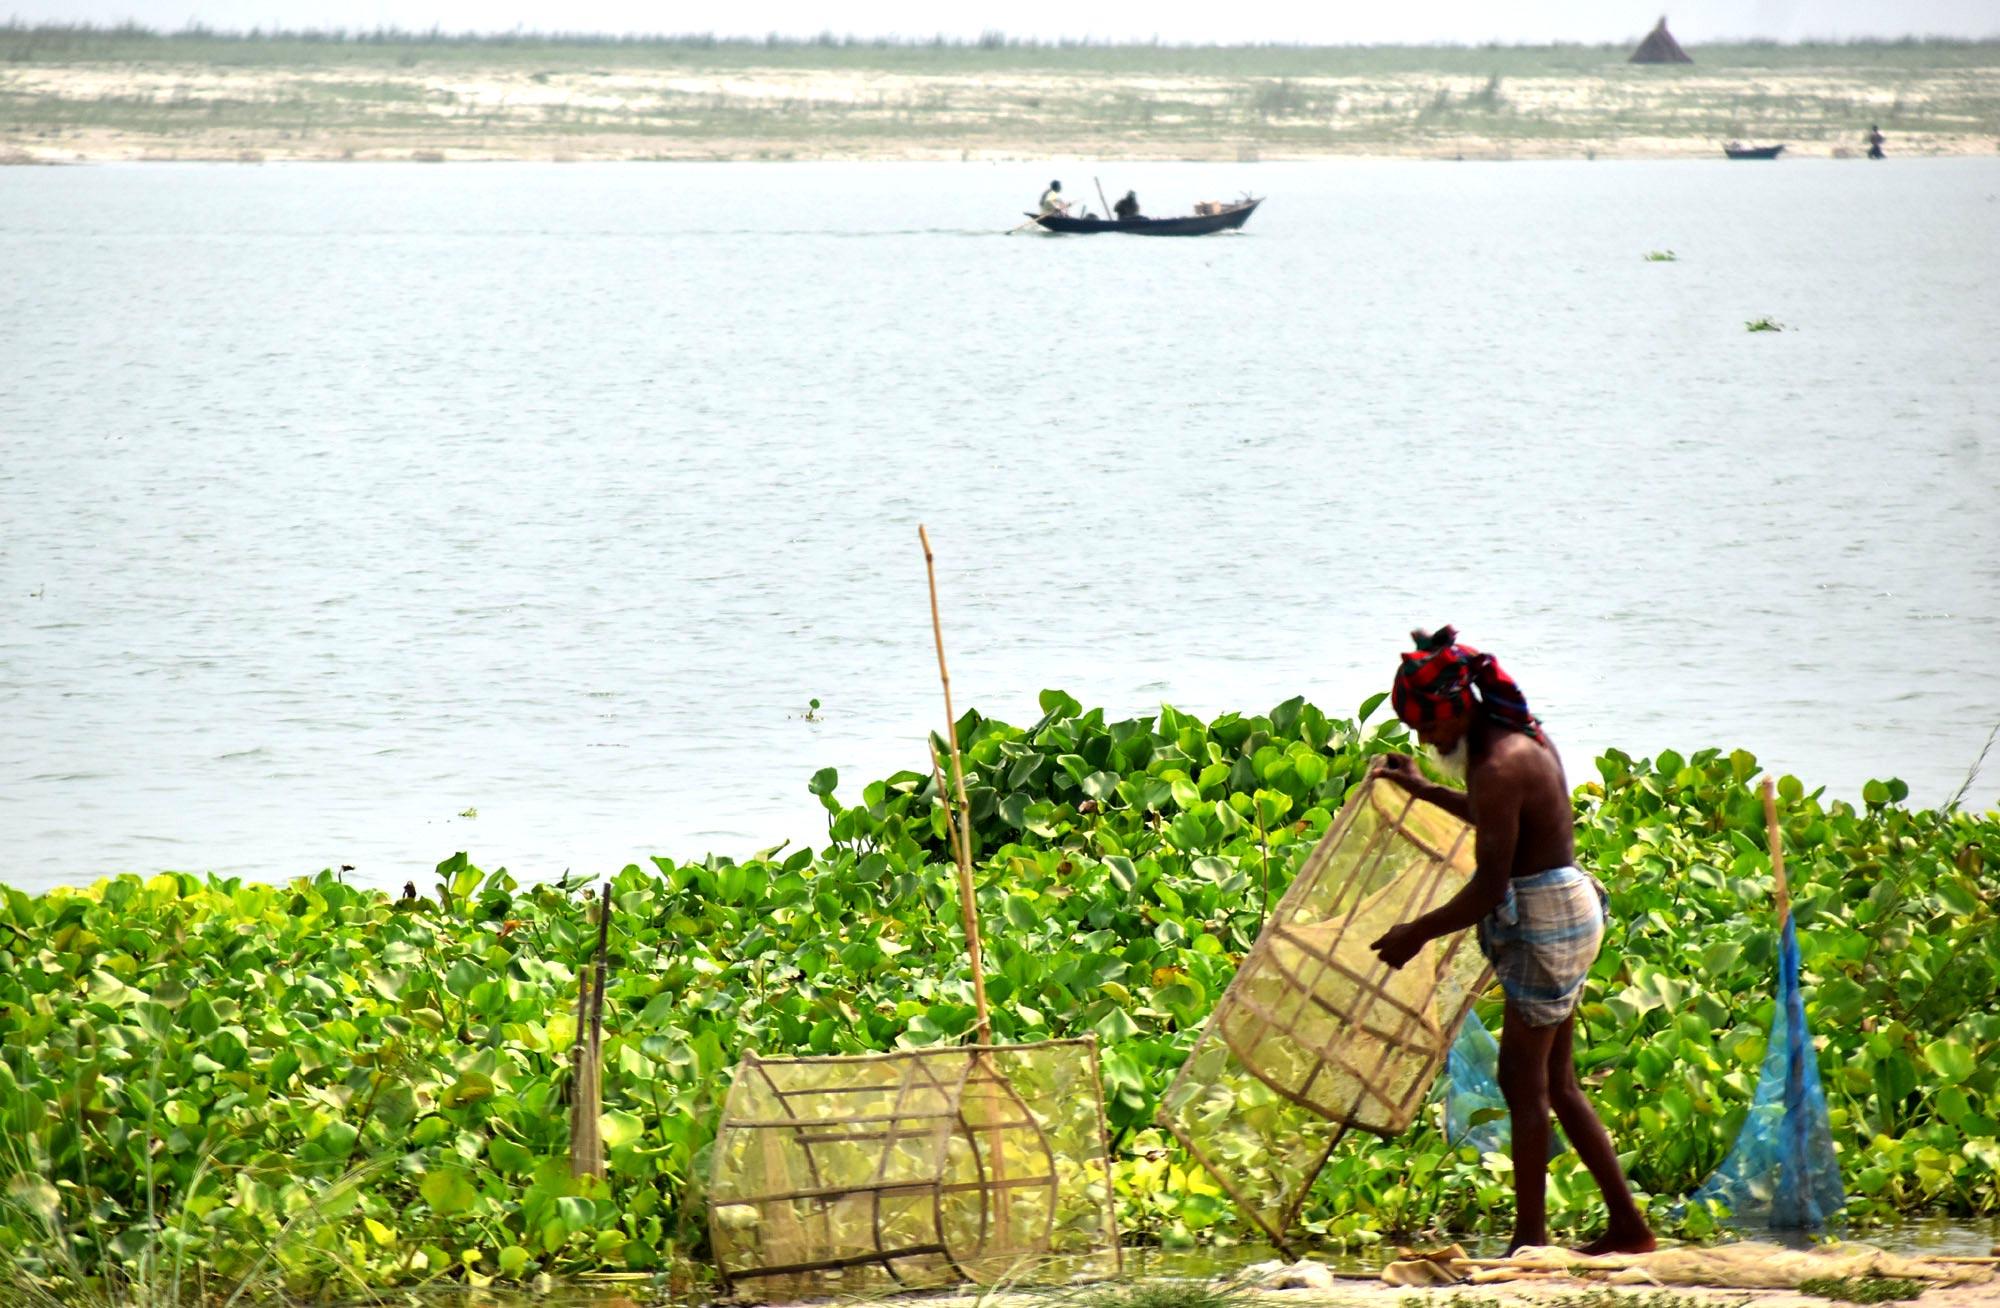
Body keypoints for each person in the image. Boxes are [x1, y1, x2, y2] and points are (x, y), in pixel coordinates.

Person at [1369, 626, 1655, 1257]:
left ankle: (1530, 1241)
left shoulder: (1499, 764)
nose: (1426, 741)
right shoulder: (1519, 739)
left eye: (1429, 730)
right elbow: (1497, 818)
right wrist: (1423, 790)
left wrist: (1415, 932)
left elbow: (1489, 889)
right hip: (1567, 906)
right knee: (1559, 1082)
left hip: (1546, 918)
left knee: (1521, 1082)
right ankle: (1629, 1229)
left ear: (1458, 711)